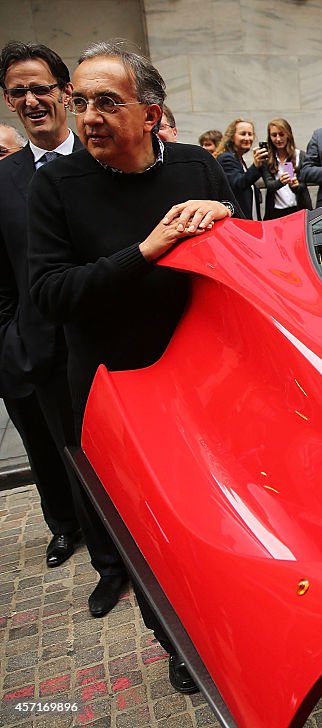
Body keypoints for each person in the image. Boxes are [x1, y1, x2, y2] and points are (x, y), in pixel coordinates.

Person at [26, 39, 236, 696]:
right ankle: (177, 642)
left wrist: (227, 216)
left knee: (211, 524)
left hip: (203, 388)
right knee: (148, 535)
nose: (87, 115)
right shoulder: (55, 185)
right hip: (114, 395)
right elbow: (51, 294)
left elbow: (239, 258)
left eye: (106, 102)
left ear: (150, 113)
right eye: (79, 101)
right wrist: (147, 250)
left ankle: (227, 625)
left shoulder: (199, 168)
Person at [0, 41, 94, 582]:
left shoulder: (99, 160)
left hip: (96, 340)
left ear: (64, 93)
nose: (33, 100)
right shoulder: (4, 179)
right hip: (31, 344)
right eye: (20, 92)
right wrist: (9, 339)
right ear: (8, 102)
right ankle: (64, 524)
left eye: (42, 88)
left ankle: (121, 539)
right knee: (47, 445)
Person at [261, 117, 311, 219]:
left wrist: (296, 185)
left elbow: (305, 184)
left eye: (282, 134)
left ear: (288, 134)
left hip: (298, 210)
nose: (278, 139)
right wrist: (281, 182)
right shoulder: (267, 159)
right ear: (269, 137)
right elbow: (270, 186)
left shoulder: (300, 155)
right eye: (274, 135)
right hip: (275, 213)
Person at [215, 118, 265, 220]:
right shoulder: (226, 158)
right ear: (232, 137)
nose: (247, 138)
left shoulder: (239, 159)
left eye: (250, 134)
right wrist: (255, 166)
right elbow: (238, 184)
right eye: (243, 134)